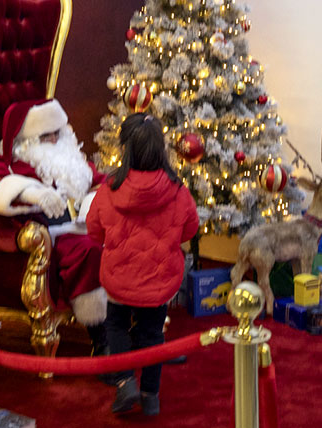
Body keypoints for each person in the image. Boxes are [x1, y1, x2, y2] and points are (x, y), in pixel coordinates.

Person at [0, 99, 109, 355]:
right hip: (51, 236)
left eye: (58, 132)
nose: (55, 140)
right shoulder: (11, 162)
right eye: (46, 136)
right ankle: (102, 338)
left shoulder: (73, 162)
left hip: (83, 226)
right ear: (27, 139)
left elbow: (100, 184)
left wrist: (91, 204)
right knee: (88, 250)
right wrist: (33, 193)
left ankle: (137, 328)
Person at [86, 113, 199, 416]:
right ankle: (151, 395)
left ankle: (125, 383)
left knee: (116, 325)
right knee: (152, 333)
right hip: (160, 279)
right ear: (162, 148)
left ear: (126, 149)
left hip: (119, 278)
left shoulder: (109, 189)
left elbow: (94, 230)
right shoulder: (178, 190)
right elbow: (190, 229)